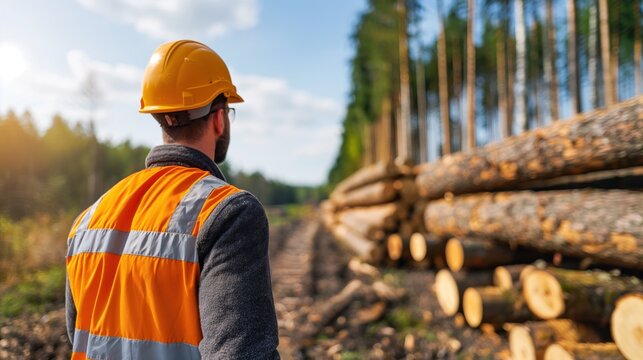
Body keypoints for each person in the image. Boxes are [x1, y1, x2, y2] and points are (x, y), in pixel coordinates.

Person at [65, 40, 280, 359]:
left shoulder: (87, 221)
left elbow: (79, 336)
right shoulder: (228, 213)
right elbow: (241, 352)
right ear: (219, 118)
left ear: (159, 117)